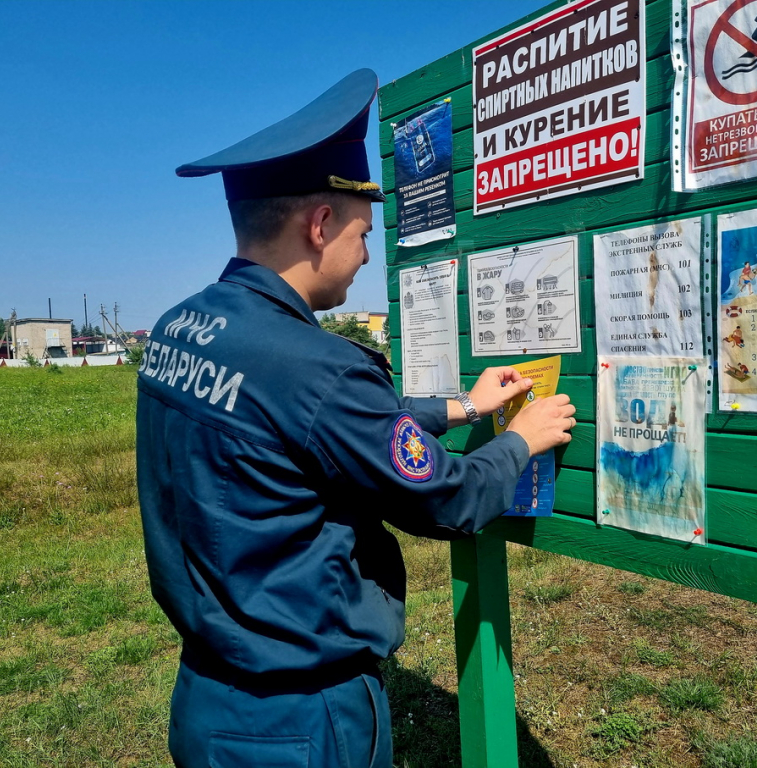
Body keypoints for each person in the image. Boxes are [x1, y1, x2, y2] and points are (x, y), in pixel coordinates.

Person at [135, 69, 576, 768]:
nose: (366, 255)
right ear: (320, 224)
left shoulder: (179, 328)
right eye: (364, 234)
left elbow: (302, 427)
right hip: (302, 724)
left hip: (205, 701)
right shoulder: (318, 366)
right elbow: (450, 499)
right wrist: (520, 439)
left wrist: (462, 406)